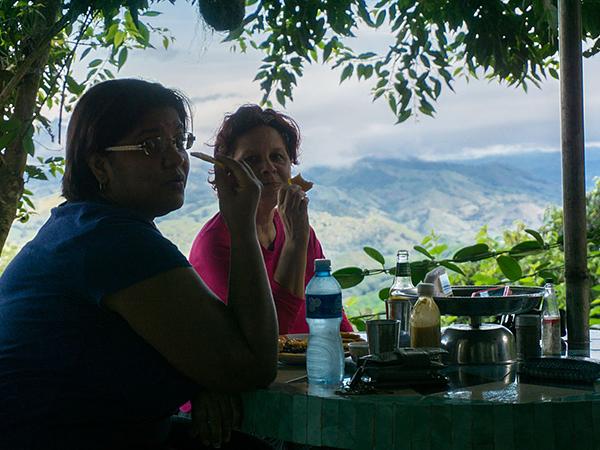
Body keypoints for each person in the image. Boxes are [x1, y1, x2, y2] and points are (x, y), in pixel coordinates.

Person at [0, 79, 278, 450]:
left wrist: (202, 378)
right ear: (100, 165)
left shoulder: (79, 226)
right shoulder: (110, 241)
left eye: (180, 141)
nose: (175, 158)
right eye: (151, 145)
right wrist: (241, 227)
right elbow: (253, 366)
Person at [189, 104, 353, 334]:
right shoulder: (217, 243)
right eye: (251, 160)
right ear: (228, 172)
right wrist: (295, 244)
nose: (268, 168)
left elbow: (330, 310)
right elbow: (264, 338)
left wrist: (357, 350)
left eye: (277, 157)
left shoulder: (297, 228)